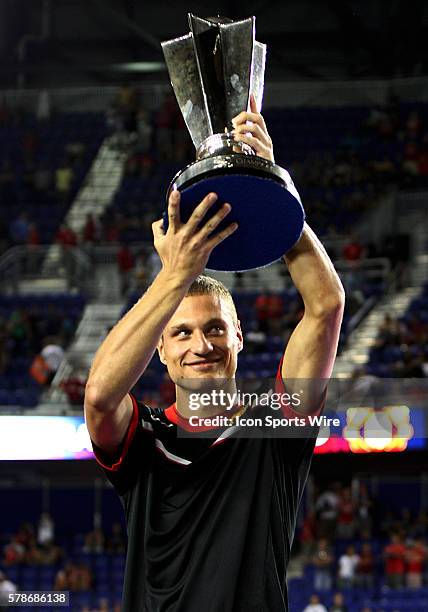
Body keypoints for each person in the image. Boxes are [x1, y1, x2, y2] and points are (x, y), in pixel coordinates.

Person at [84, 99, 345, 611]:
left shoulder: (275, 428)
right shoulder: (144, 441)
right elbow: (99, 396)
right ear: (159, 349)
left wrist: (270, 187)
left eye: (214, 329)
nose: (200, 345)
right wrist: (175, 274)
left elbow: (326, 304)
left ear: (239, 336)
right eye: (179, 333)